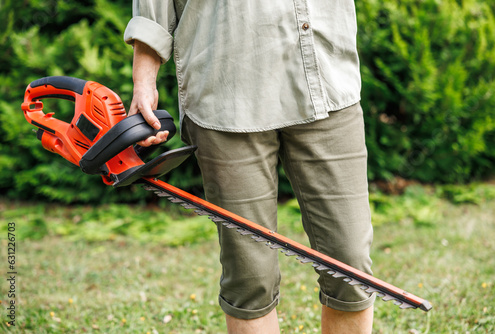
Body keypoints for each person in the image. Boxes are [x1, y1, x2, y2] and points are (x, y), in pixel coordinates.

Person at [124, 1, 375, 333]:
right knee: (249, 278)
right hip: (225, 91)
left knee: (351, 266)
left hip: (327, 80)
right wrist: (144, 81)